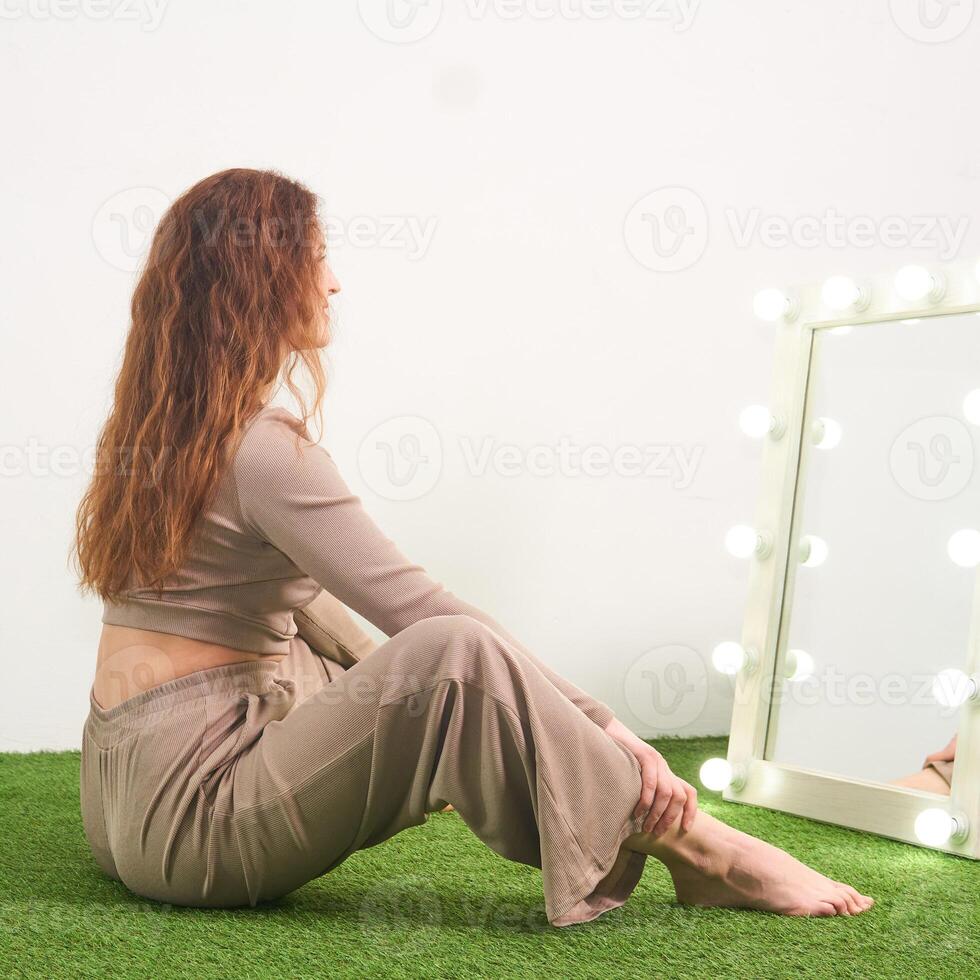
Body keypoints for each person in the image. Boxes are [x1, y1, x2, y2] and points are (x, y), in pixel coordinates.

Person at [73, 168, 873, 926]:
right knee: (449, 651)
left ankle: (530, 764)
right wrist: (608, 729)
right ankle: (701, 848)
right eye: (317, 259)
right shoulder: (264, 452)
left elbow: (319, 605)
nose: (334, 282)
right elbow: (420, 610)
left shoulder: (159, 433)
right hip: (195, 824)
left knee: (332, 633)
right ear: (264, 279)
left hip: (120, 801)